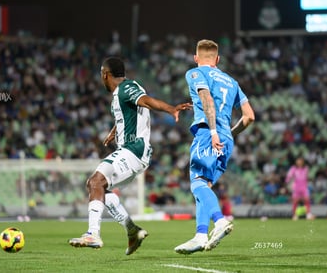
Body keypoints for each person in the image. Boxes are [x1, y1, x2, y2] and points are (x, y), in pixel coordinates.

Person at [69, 57, 192, 255]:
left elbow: (146, 101)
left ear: (105, 74)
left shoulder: (127, 88)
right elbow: (129, 114)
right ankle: (132, 230)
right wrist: (114, 131)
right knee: (98, 188)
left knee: (96, 181)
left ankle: (93, 233)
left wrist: (170, 108)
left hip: (133, 150)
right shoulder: (121, 93)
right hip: (131, 151)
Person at [174, 39, 255, 254]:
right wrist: (228, 133)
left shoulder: (195, 73)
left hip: (208, 133)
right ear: (217, 59)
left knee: (196, 182)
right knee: (204, 185)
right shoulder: (232, 81)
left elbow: (206, 98)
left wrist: (212, 132)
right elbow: (249, 117)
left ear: (195, 58)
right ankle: (200, 235)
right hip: (226, 138)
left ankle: (220, 221)